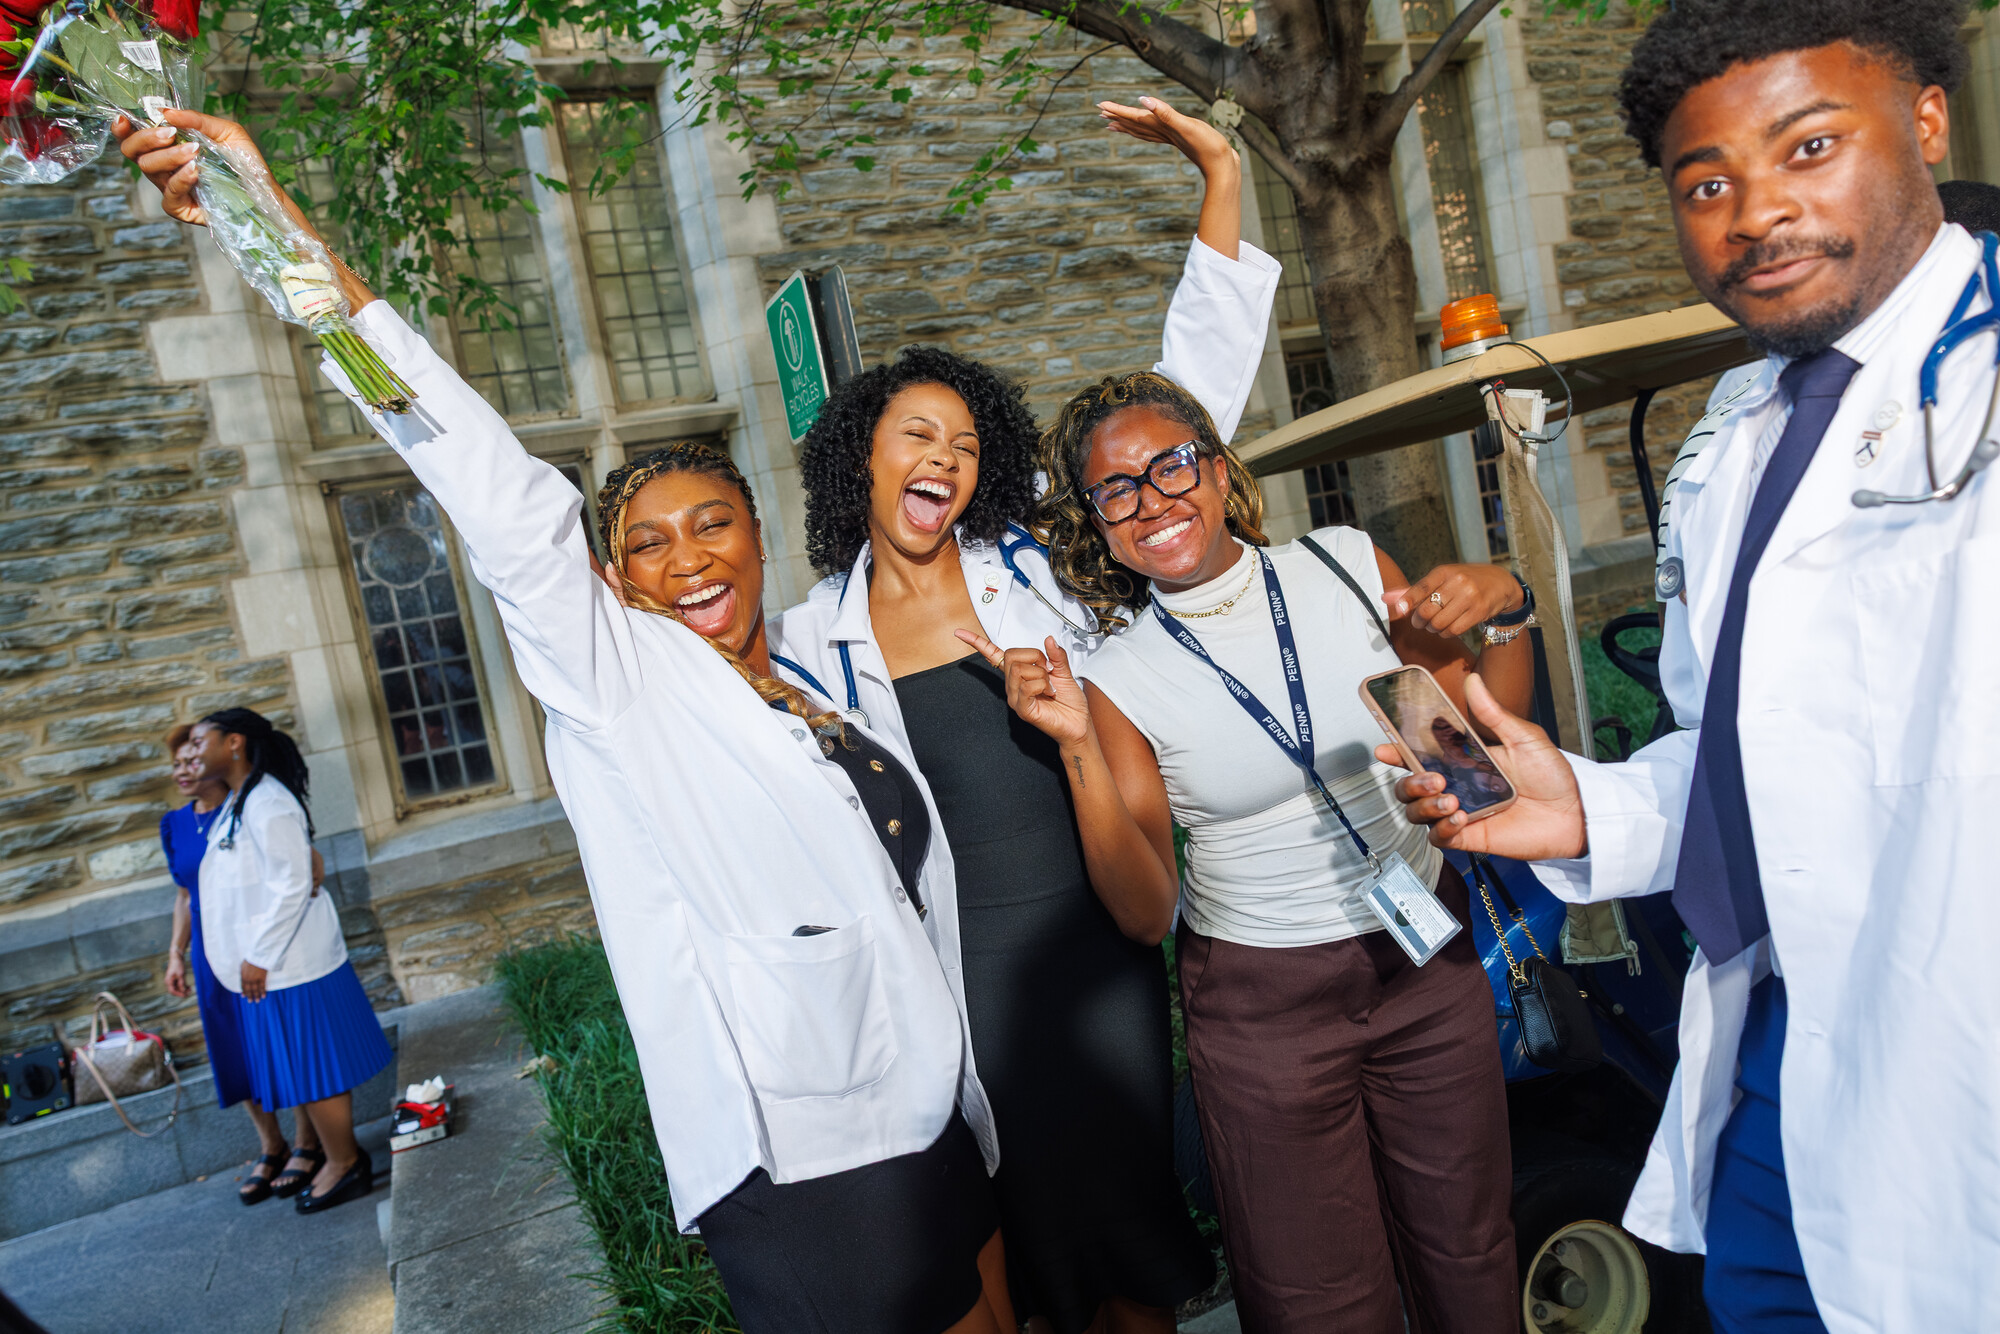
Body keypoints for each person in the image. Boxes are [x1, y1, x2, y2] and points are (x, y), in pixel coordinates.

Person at [120, 110, 1017, 1334]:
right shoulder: (617, 681)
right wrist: (277, 238)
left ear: (757, 532)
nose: (686, 559)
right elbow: (491, 489)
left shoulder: (816, 660)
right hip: (804, 1139)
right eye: (644, 544)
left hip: (933, 1092)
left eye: (711, 523)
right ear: (612, 582)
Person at [1385, 4, 1997, 1330]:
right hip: (1778, 1068)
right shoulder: (1739, 435)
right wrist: (1592, 806)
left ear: (1926, 121)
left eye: (1809, 146)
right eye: (1705, 182)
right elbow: (1767, 745)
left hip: (1962, 1079)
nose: (1756, 212)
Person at [766, 96, 1274, 1334]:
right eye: (914, 434)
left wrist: (1218, 174)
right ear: (862, 457)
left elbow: (1182, 408)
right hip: (954, 981)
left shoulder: (1037, 561)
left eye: (961, 440)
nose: (941, 456)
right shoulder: (806, 639)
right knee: (1033, 1266)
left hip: (1097, 948)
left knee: (1127, 1251)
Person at [960, 370, 1534, 1333]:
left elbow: (1475, 757)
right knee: (1317, 1302)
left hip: (1426, 965)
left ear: (1220, 471)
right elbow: (1145, 910)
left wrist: (1507, 605)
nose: (1152, 500)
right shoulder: (1118, 676)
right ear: (1099, 523)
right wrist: (1076, 747)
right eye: (1116, 489)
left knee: (1470, 1252)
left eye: (1171, 465)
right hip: (1266, 1010)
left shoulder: (1346, 565)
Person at [186, 707, 393, 1214]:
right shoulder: (241, 801)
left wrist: (258, 956)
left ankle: (346, 1163)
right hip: (274, 967)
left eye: (200, 740)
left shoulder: (268, 802)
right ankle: (340, 1158)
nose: (192, 751)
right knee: (306, 1071)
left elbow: (293, 882)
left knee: (316, 1070)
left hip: (290, 963)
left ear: (234, 743)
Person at [160, 725, 331, 1204]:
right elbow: (184, 894)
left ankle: (307, 1142)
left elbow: (302, 864)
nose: (183, 770)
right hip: (208, 950)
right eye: (176, 764)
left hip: (253, 941)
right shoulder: (175, 824)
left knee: (277, 1040)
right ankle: (271, 1145)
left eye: (191, 759)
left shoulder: (248, 805)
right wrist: (175, 953)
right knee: (233, 1047)